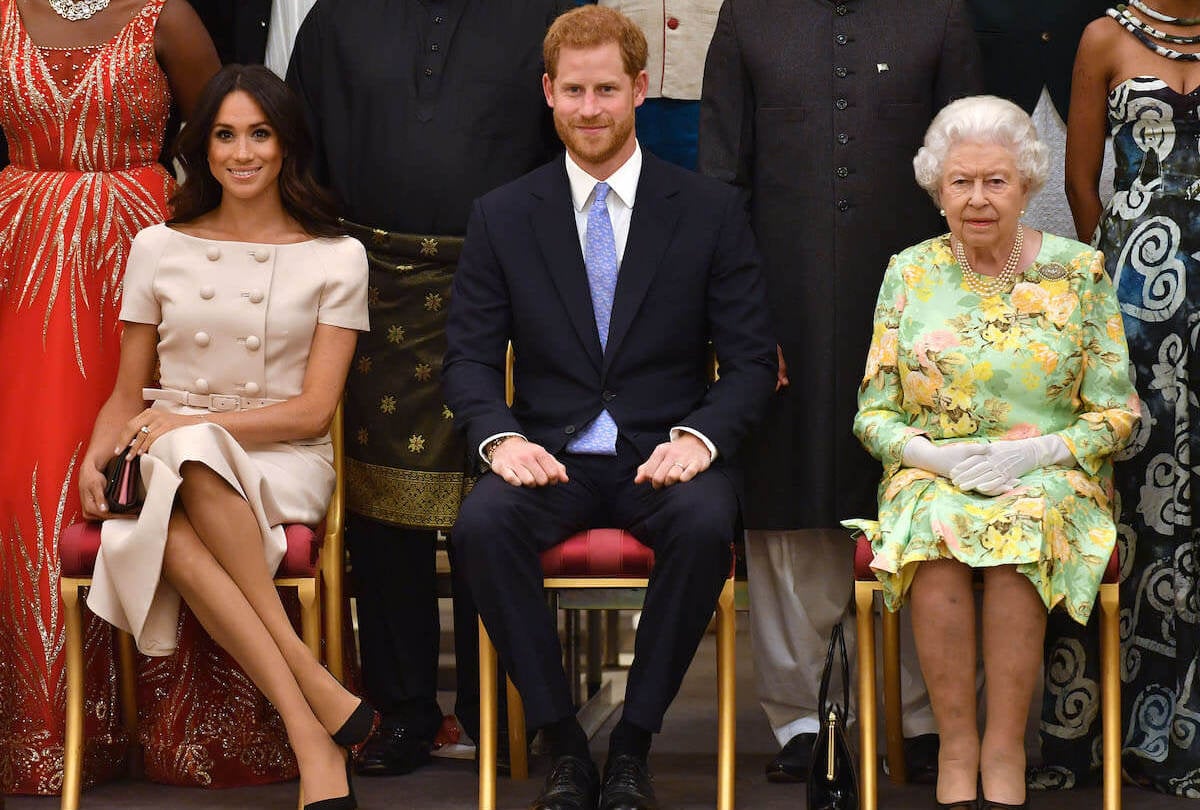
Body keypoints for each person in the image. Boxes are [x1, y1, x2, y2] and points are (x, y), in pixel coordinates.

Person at [444, 7, 776, 809]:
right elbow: (470, 361)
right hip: (550, 454)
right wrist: (498, 438)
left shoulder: (705, 210)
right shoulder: (503, 214)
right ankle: (563, 740)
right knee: (480, 528)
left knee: (704, 524)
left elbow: (752, 362)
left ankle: (633, 742)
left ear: (639, 88)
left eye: (606, 90)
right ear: (548, 93)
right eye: (573, 91)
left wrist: (700, 438)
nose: (589, 109)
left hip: (663, 453)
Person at [698, 0, 982, 784]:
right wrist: (739, 326)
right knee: (789, 504)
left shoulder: (938, 14)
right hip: (780, 303)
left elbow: (972, 168)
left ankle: (926, 717)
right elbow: (721, 181)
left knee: (920, 501)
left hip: (919, 312)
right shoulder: (750, 15)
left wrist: (967, 320)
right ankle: (799, 720)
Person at [286, 0, 570, 774]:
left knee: (501, 501)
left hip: (510, 284)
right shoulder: (336, 18)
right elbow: (298, 154)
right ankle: (404, 711)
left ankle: (504, 707)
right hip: (371, 289)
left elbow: (578, 146)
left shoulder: (549, 13)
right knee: (382, 516)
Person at [79, 64, 372, 810]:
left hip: (282, 459)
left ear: (287, 146)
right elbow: (127, 390)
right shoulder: (158, 246)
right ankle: (312, 709)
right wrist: (94, 454)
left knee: (185, 461)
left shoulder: (337, 256)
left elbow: (312, 414)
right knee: (172, 477)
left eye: (260, 134)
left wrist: (189, 423)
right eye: (225, 135)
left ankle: (309, 713)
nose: (243, 152)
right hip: (167, 452)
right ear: (203, 148)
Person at [844, 94, 1140, 809]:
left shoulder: (1079, 272)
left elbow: (1119, 414)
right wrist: (937, 459)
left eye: (996, 181)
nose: (978, 199)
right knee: (938, 526)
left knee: (1019, 527)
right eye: (961, 182)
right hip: (935, 471)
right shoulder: (908, 272)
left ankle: (1005, 746)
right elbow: (873, 414)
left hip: (1050, 475)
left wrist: (1032, 455)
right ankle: (957, 746)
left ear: (1028, 184)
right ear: (937, 189)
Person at [0, 0, 218, 794]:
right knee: (27, 475)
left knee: (148, 462)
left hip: (144, 247)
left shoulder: (168, 16)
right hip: (19, 253)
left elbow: (222, 135)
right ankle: (50, 727)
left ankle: (172, 723)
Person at [1062, 1, 1200, 793]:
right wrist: (1113, 281)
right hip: (1134, 302)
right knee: (1134, 500)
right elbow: (1084, 182)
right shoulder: (1102, 37)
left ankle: (1187, 728)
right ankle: (1116, 730)